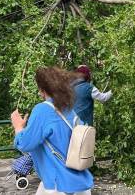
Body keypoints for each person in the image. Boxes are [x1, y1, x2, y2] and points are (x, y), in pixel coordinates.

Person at [12, 66, 93, 195]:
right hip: (79, 182)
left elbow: (25, 144)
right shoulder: (68, 109)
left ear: (43, 89)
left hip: (58, 184)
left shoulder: (43, 110)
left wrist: (18, 127)